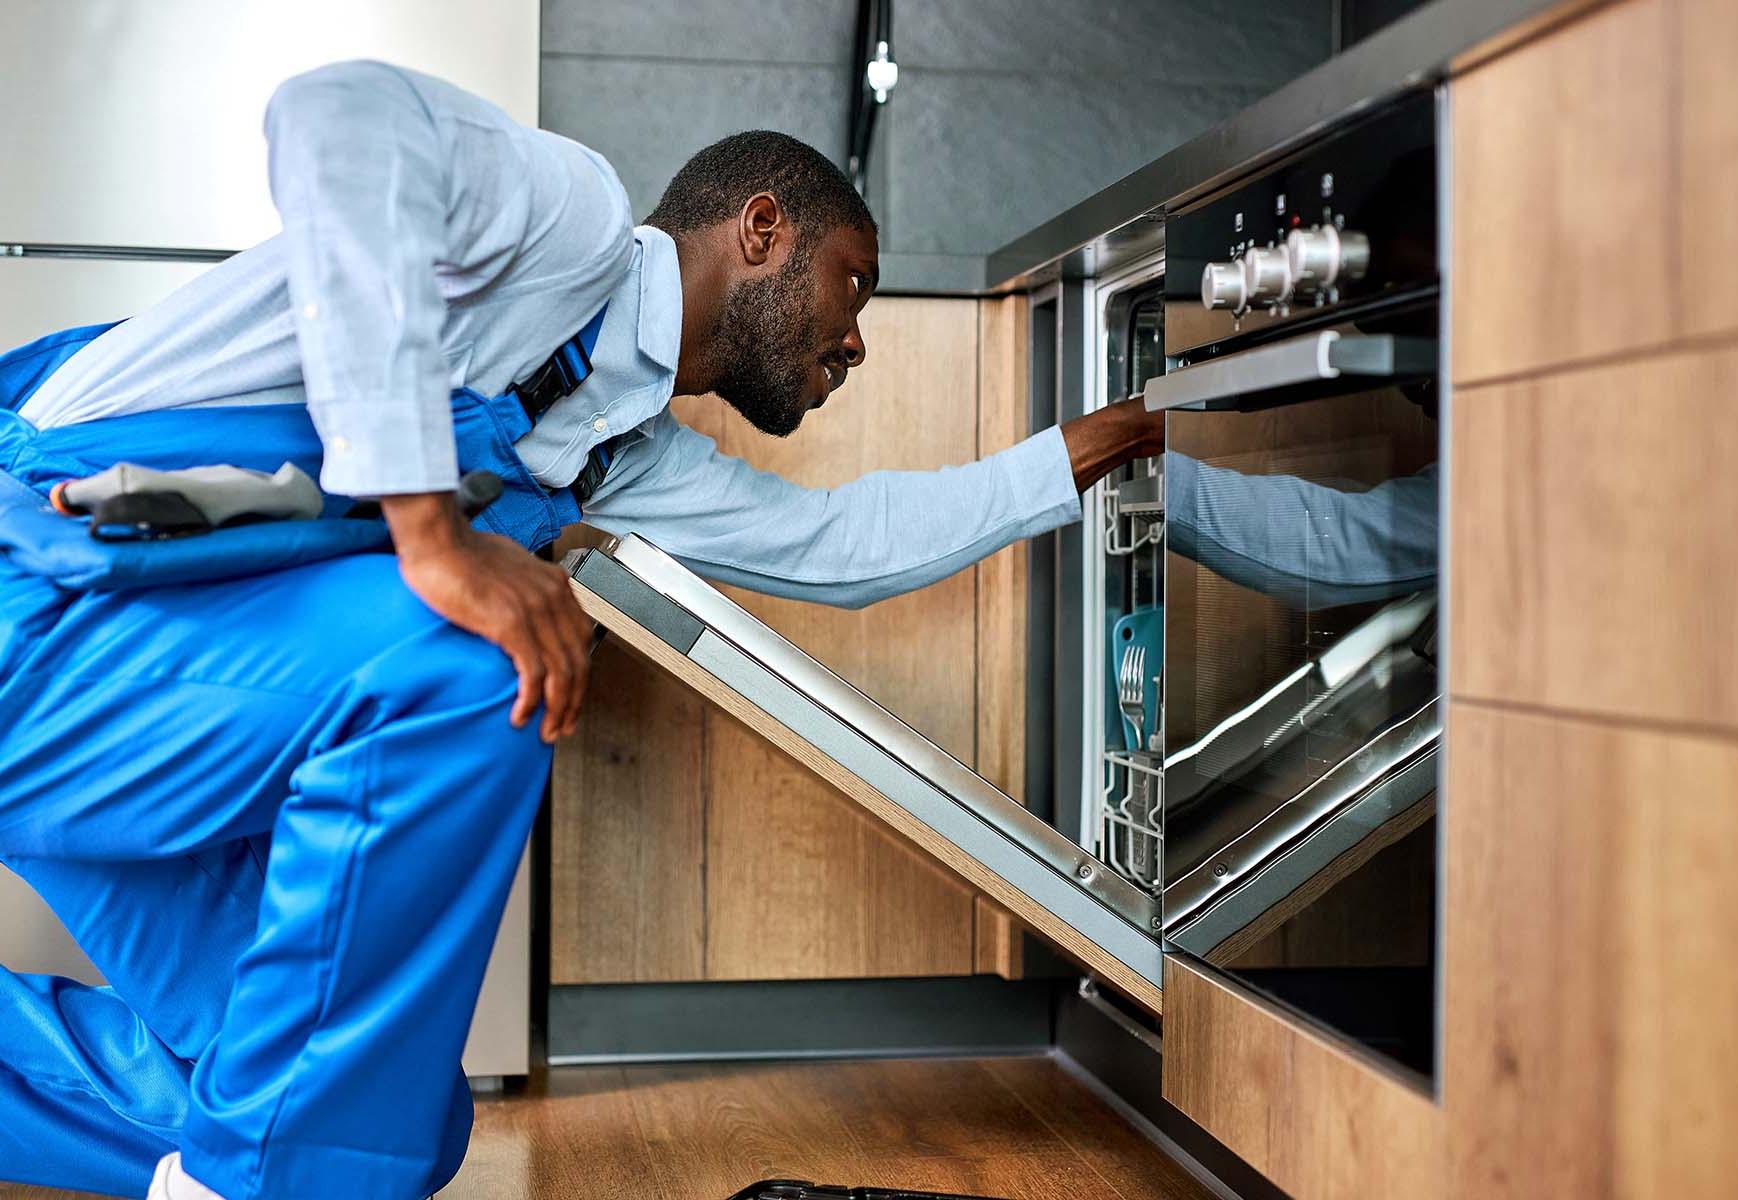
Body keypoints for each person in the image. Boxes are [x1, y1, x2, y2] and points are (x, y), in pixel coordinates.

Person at [0, 61, 1162, 1200]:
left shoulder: (619, 456)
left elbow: (847, 545)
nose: (857, 340)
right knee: (475, 658)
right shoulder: (572, 225)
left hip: (158, 679)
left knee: (351, 1106)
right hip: (44, 583)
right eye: (853, 286)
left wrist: (1106, 439)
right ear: (761, 229)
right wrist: (431, 531)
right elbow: (336, 114)